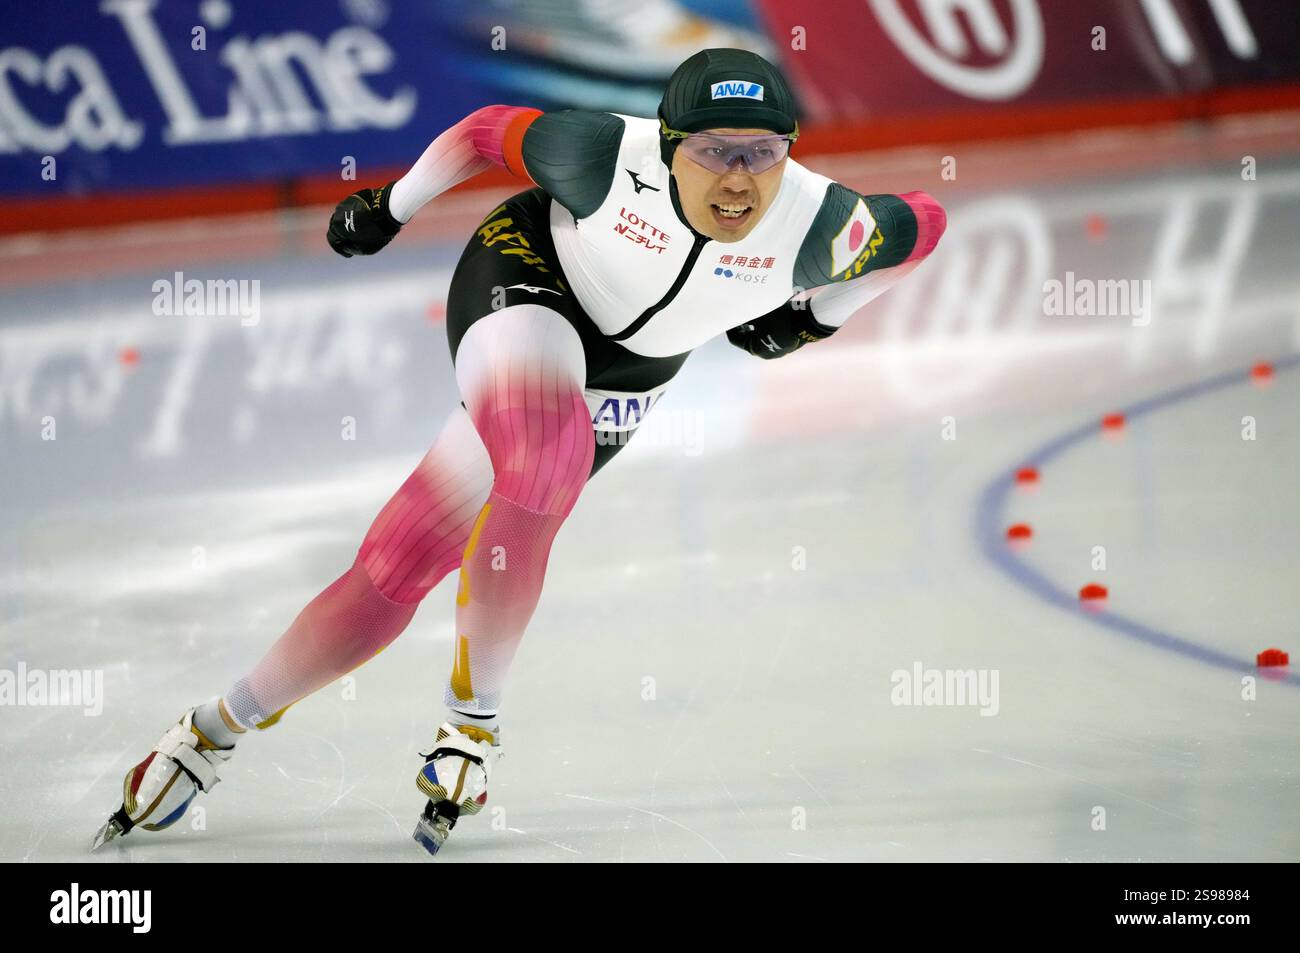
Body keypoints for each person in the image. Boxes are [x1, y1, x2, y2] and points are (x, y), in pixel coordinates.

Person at [94, 48, 946, 856]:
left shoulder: (822, 220)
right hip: (527, 276)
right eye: (716, 152)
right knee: (547, 454)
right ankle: (474, 721)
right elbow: (483, 130)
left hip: (631, 370)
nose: (739, 178)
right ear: (668, 144)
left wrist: (816, 317)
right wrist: (391, 206)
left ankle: (211, 728)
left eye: (763, 153)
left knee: (396, 568)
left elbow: (925, 225)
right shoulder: (605, 155)